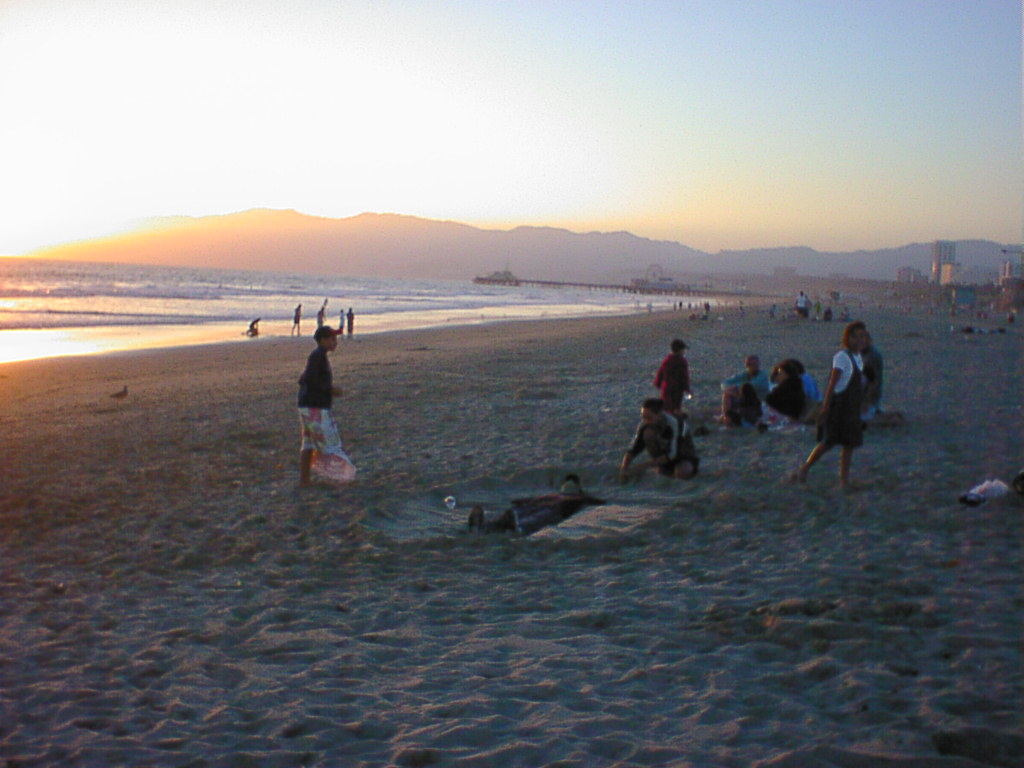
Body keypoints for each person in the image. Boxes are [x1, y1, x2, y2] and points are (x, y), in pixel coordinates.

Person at [792, 321, 868, 487]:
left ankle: (843, 480)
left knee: (849, 444)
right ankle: (805, 468)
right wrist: (825, 408)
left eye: (862, 336)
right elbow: (832, 385)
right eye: (855, 337)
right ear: (847, 338)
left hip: (852, 407)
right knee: (828, 442)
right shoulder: (842, 357)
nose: (859, 340)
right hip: (838, 407)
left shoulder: (858, 357)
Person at [297, 325, 356, 485]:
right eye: (332, 339)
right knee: (330, 442)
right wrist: (331, 390)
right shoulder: (318, 357)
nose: (335, 342)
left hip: (306, 404)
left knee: (308, 442)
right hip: (315, 406)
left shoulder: (317, 356)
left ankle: (305, 480)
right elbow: (311, 381)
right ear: (323, 340)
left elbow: (303, 379)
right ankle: (341, 476)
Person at [467, 475, 605, 536]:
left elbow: (529, 500)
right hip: (553, 509)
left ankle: (487, 525)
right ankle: (509, 524)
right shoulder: (578, 497)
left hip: (535, 505)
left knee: (521, 514)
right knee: (535, 520)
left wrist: (520, 502)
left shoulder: (554, 495)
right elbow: (595, 501)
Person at [620, 398, 699, 481]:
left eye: (649, 418)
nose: (646, 421)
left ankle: (664, 469)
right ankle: (661, 467)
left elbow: (673, 454)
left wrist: (643, 466)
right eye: (643, 417)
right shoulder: (644, 425)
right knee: (647, 433)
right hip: (662, 456)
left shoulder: (675, 423)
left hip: (683, 456)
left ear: (660, 414)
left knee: (682, 472)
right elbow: (632, 450)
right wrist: (624, 469)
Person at [861, 332, 905, 427]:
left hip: (868, 400)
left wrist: (867, 402)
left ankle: (889, 417)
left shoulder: (871, 357)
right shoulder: (858, 354)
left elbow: (874, 383)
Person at [719, 354, 770, 424]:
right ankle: (726, 416)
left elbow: (752, 385)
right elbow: (725, 382)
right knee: (727, 394)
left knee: (736, 391)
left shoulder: (763, 375)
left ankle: (729, 417)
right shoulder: (745, 375)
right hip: (745, 398)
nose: (756, 366)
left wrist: (735, 386)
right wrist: (727, 387)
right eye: (753, 364)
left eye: (757, 364)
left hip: (759, 400)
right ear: (747, 365)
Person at [761, 359, 806, 426]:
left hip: (785, 415)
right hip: (785, 413)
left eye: (780, 373)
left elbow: (771, 400)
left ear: (787, 374)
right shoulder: (794, 385)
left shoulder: (789, 387)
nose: (778, 376)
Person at [653, 338, 691, 414]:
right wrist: (687, 388)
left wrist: (658, 383)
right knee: (676, 407)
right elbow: (684, 376)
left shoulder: (667, 360)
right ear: (680, 350)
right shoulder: (682, 361)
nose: (684, 352)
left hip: (666, 387)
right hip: (677, 389)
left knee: (667, 406)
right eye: (683, 350)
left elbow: (660, 373)